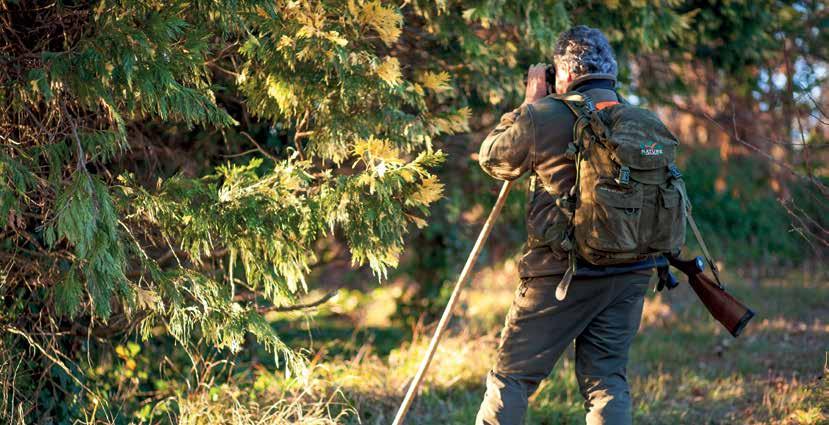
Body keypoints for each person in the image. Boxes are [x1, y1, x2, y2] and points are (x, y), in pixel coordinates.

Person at [475, 25, 658, 425]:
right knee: (607, 381)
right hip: (632, 272)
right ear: (610, 71)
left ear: (564, 73)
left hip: (562, 274)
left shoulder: (545, 115)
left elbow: (492, 158)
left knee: (512, 377)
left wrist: (527, 105)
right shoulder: (642, 121)